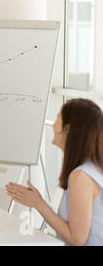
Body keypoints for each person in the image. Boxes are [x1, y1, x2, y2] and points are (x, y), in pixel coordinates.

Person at [6, 98, 103, 246]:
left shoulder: (81, 177)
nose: (52, 124)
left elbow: (77, 240)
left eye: (58, 117)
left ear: (67, 129)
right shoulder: (91, 168)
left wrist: (38, 203)